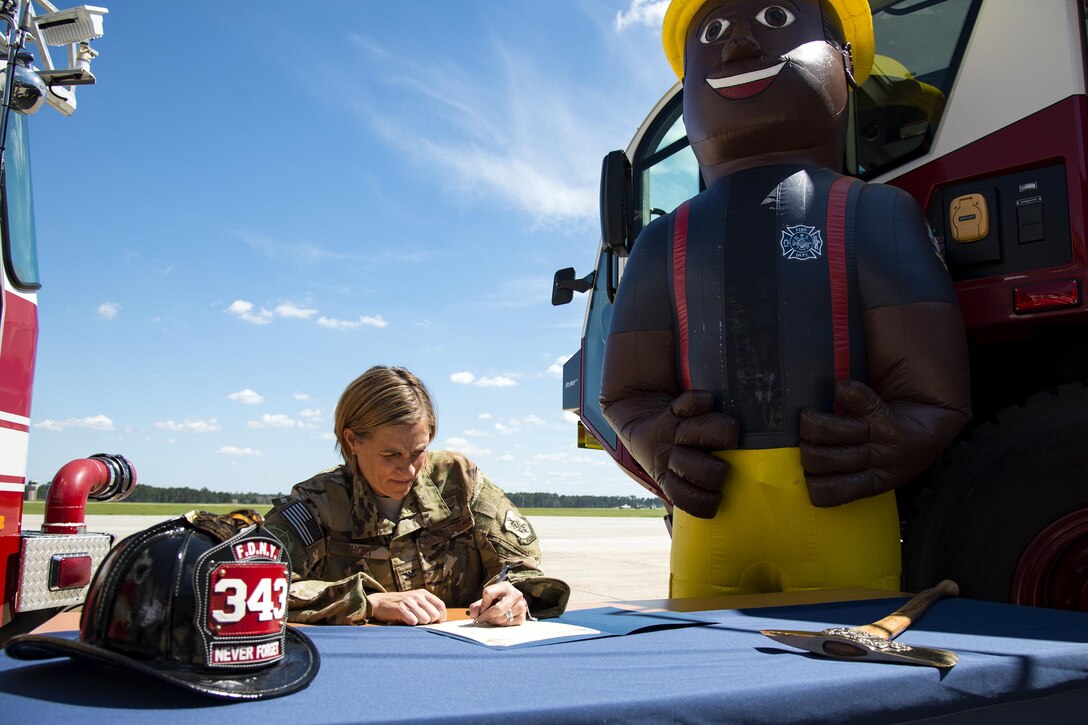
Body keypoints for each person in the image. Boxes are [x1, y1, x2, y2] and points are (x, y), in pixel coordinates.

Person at [599, 0, 971, 597]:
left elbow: (932, 391)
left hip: (833, 506)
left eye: (775, 20)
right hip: (720, 516)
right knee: (709, 677)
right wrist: (663, 446)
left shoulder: (875, 215)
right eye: (713, 34)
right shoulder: (661, 241)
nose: (738, 46)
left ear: (845, 64)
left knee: (844, 677)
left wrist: (889, 442)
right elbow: (628, 392)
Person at [263, 365, 570, 626]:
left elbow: (520, 567)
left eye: (418, 452)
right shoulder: (319, 504)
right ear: (352, 440)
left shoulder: (458, 481)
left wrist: (514, 595)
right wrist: (368, 602)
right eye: (390, 455)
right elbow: (260, 587)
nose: (408, 470)